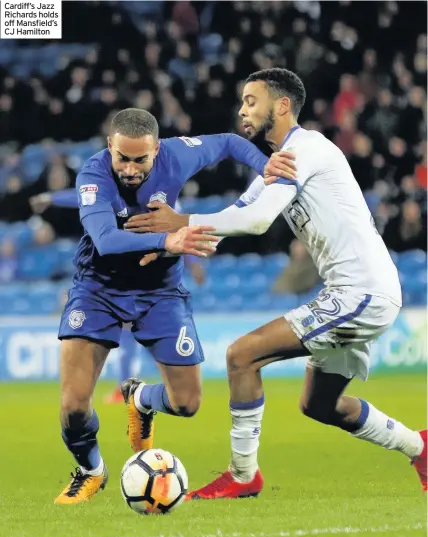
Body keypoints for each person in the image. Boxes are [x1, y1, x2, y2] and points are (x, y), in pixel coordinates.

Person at [124, 70, 427, 498]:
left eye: (252, 100)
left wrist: (185, 221)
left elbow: (256, 221)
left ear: (282, 106)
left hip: (362, 292)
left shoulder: (307, 149)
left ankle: (244, 476)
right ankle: (420, 447)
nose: (243, 109)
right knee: (320, 404)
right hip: (352, 292)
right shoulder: (277, 163)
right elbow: (240, 210)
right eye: (242, 101)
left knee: (241, 355)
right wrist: (173, 241)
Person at [54, 107, 296, 504]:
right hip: (98, 289)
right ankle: (91, 470)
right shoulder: (93, 176)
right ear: (109, 148)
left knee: (187, 404)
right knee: (73, 406)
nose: (130, 169)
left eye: (140, 160)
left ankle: (140, 399)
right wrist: (169, 240)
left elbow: (231, 142)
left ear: (157, 150)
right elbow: (105, 240)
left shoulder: (178, 155)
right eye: (122, 158)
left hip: (161, 291)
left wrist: (265, 165)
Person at [30, 191, 207, 404]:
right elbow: (87, 195)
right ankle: (128, 386)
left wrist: (192, 264)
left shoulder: (163, 200)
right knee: (129, 331)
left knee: (141, 335)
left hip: (154, 283)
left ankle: (133, 386)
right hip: (134, 278)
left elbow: (179, 233)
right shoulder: (128, 192)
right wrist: (53, 199)